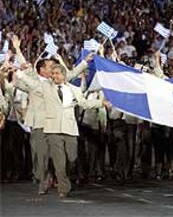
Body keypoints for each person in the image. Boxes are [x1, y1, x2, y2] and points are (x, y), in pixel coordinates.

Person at [15, 64, 111, 198]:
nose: (54, 76)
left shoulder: (74, 89)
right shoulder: (46, 87)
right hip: (52, 128)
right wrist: (21, 74)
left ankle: (65, 178)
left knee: (72, 158)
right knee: (59, 161)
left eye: (57, 73)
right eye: (52, 73)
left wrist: (101, 103)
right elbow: (32, 85)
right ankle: (63, 188)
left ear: (63, 75)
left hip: (69, 128)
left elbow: (83, 103)